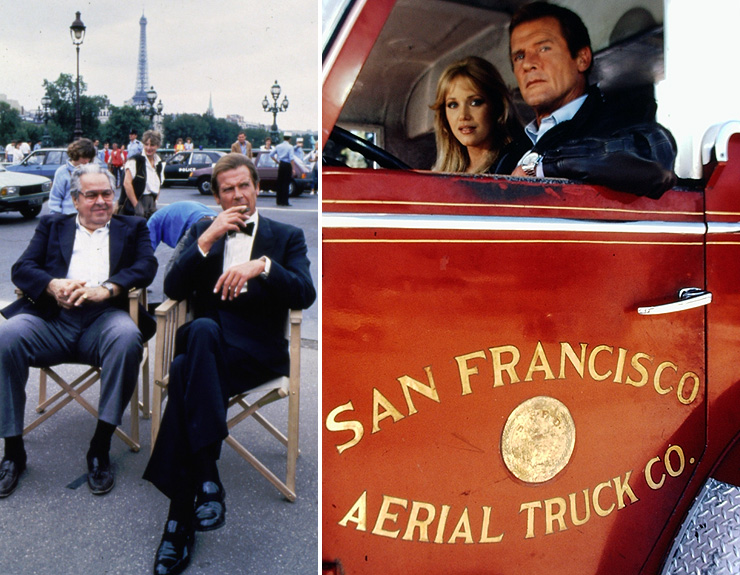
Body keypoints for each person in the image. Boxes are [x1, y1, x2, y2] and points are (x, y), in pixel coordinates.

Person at [143, 153, 316, 575]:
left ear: (258, 187)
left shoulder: (285, 236)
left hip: (254, 355)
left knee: (185, 371)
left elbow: (304, 294)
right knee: (201, 332)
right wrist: (206, 240)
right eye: (227, 190)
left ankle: (181, 516)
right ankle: (203, 485)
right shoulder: (203, 229)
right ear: (217, 197)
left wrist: (263, 267)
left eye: (244, 186)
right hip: (207, 345)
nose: (237, 196)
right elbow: (172, 286)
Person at [0, 163, 157, 498]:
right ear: (75, 199)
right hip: (51, 320)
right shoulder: (52, 225)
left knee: (128, 338)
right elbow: (22, 268)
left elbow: (146, 266)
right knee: (6, 337)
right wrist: (53, 285)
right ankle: (13, 450)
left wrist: (109, 288)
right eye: (92, 195)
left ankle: (99, 447)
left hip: (104, 319)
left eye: (107, 194)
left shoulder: (133, 226)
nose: (101, 201)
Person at [506, 2, 676, 197]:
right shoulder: (512, 151)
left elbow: (654, 156)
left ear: (582, 58)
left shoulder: (620, 123)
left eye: (544, 48)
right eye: (519, 56)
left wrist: (542, 166)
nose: (528, 64)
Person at [430, 56, 524, 173]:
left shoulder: (518, 164)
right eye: (453, 105)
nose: (463, 115)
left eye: (475, 102)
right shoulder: (439, 174)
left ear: (497, 105)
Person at [121, 130, 164, 219]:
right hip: (136, 204)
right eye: (146, 144)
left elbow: (158, 185)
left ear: (158, 146)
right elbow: (127, 183)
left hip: (151, 204)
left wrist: (155, 202)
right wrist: (136, 205)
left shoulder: (159, 163)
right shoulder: (135, 161)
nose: (148, 148)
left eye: (152, 145)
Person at [49, 138, 97, 214]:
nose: (87, 161)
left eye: (89, 158)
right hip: (68, 216)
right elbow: (55, 198)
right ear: (76, 154)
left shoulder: (91, 170)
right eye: (84, 157)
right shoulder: (62, 172)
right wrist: (55, 218)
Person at [146, 200, 217, 252]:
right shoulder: (167, 211)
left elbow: (147, 251)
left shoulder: (152, 220)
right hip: (216, 220)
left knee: (175, 267)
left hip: (198, 224)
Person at [270, 134, 298, 207]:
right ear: (289, 139)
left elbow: (271, 154)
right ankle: (285, 201)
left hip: (281, 164)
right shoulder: (290, 147)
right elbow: (291, 158)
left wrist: (277, 161)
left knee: (280, 183)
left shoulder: (278, 146)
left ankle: (279, 201)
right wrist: (293, 169)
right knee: (286, 183)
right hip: (287, 165)